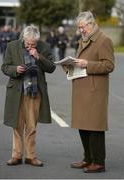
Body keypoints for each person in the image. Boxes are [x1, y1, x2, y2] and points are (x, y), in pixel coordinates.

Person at [63, 11, 114, 173]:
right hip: (81, 88)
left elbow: (109, 65)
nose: (81, 30)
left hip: (95, 91)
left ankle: (99, 162)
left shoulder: (104, 40)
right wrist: (70, 67)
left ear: (91, 24)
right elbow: (81, 63)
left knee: (95, 127)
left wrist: (87, 64)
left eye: (82, 27)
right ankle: (88, 159)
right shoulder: (82, 40)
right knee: (83, 126)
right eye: (79, 28)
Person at [1, 25, 56, 166]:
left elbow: (51, 67)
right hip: (17, 91)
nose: (29, 46)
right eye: (27, 43)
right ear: (23, 38)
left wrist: (39, 56)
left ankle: (31, 156)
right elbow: (5, 67)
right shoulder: (12, 46)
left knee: (31, 126)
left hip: (35, 92)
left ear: (37, 41)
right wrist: (15, 69)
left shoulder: (45, 46)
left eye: (33, 44)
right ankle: (16, 155)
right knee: (17, 125)